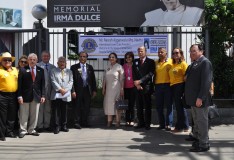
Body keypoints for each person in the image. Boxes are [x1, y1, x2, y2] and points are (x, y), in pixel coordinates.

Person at [185, 44, 213, 152]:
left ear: (201, 51)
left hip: (200, 99)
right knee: (196, 121)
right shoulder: (194, 63)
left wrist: (200, 97)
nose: (191, 53)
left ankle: (204, 144)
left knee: (202, 121)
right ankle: (198, 139)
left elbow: (206, 82)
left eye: (194, 51)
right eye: (190, 51)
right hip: (193, 99)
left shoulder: (205, 62)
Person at [18, 53, 45, 138]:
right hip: (25, 96)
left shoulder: (41, 70)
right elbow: (19, 85)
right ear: (28, 60)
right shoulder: (23, 70)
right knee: (24, 114)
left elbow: (42, 84)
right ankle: (23, 130)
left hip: (36, 95)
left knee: (35, 114)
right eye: (30, 59)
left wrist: (43, 95)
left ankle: (32, 129)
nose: (32, 61)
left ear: (37, 61)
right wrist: (19, 96)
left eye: (34, 59)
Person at [71, 51, 97, 128]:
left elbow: (93, 80)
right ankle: (77, 122)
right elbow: (71, 81)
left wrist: (94, 90)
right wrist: (73, 91)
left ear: (86, 58)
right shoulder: (74, 67)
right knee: (77, 106)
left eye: (84, 56)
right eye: (81, 56)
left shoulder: (90, 67)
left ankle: (84, 122)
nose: (82, 58)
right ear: (79, 57)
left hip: (87, 90)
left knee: (86, 107)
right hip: (77, 90)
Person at [132, 46, 155, 130]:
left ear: (145, 52)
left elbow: (150, 74)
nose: (140, 52)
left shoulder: (151, 62)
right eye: (139, 51)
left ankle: (147, 123)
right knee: (139, 106)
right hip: (137, 87)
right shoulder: (135, 62)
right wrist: (137, 84)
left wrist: (140, 81)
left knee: (147, 106)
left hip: (147, 87)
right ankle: (140, 122)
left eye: (141, 51)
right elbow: (133, 74)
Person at [50, 57, 73, 134]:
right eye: (60, 61)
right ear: (57, 63)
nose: (62, 63)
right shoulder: (53, 71)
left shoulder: (69, 71)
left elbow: (71, 81)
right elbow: (53, 81)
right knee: (56, 111)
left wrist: (65, 90)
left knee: (65, 111)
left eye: (63, 62)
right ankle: (56, 127)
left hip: (65, 94)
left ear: (66, 63)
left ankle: (64, 126)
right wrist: (60, 89)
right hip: (56, 94)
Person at [169, 47, 189, 132]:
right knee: (179, 107)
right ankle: (184, 126)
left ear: (181, 54)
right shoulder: (172, 64)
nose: (175, 55)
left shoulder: (183, 64)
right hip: (173, 86)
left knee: (180, 107)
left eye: (177, 53)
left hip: (180, 86)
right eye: (173, 53)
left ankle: (181, 127)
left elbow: (187, 76)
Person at [102, 53, 124, 127]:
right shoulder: (107, 67)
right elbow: (104, 79)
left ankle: (118, 122)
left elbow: (122, 79)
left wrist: (122, 89)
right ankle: (109, 121)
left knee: (117, 105)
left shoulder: (119, 67)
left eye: (113, 57)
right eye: (110, 57)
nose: (111, 58)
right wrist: (103, 88)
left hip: (116, 88)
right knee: (108, 105)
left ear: (116, 58)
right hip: (108, 89)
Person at [0, 52, 18, 141]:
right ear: (1, 61)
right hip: (2, 95)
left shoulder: (15, 70)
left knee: (12, 115)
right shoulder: (0, 70)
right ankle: (1, 134)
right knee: (2, 116)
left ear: (11, 61)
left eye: (9, 60)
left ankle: (9, 132)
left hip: (13, 96)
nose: (7, 61)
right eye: (5, 60)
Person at [36, 51, 56, 132]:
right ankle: (40, 126)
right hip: (40, 91)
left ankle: (47, 125)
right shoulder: (37, 66)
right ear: (41, 57)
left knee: (48, 109)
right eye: (44, 56)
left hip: (50, 91)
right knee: (40, 109)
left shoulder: (53, 67)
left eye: (47, 56)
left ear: (50, 57)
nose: (46, 57)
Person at [154, 47, 173, 131]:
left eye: (162, 52)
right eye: (159, 52)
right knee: (159, 106)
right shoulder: (155, 62)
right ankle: (161, 124)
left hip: (168, 86)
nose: (160, 53)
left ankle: (169, 124)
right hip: (158, 86)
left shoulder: (171, 62)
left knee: (169, 105)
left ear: (166, 53)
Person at [123, 52, 136, 126]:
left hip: (133, 87)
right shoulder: (123, 66)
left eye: (130, 57)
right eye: (127, 57)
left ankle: (132, 120)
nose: (128, 59)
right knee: (126, 105)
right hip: (125, 87)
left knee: (132, 104)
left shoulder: (134, 65)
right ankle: (127, 120)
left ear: (132, 58)